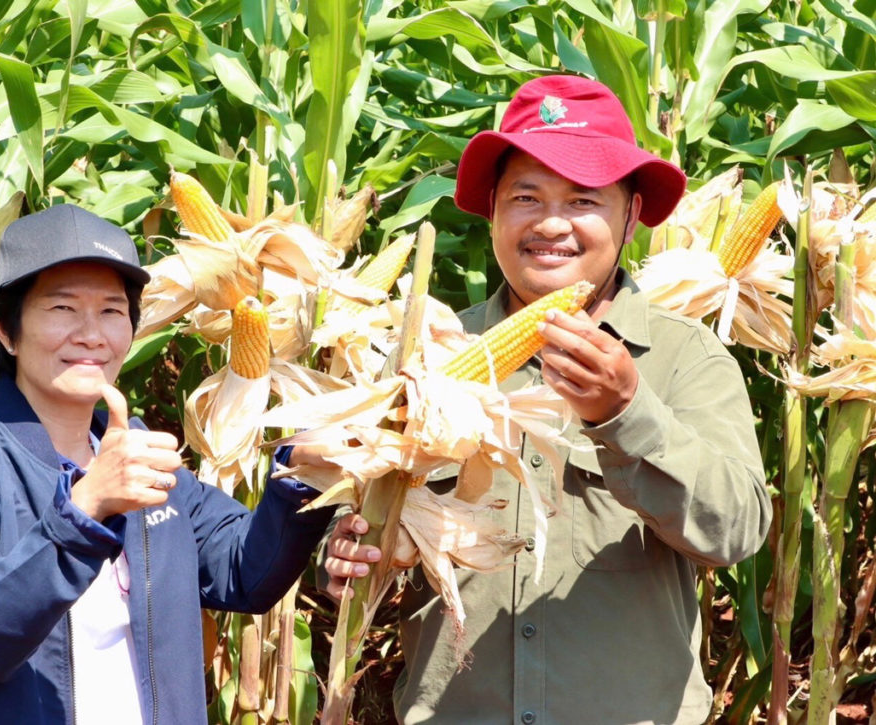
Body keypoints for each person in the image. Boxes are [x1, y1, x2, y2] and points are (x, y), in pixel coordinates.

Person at [320, 75, 773, 724]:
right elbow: (358, 519)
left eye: (583, 199)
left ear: (632, 213)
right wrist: (351, 555)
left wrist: (627, 410)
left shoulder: (685, 358)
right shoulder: (425, 351)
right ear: (496, 210)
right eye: (526, 196)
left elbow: (735, 530)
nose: (551, 223)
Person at [0, 204, 332, 724]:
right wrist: (83, 510)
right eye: (61, 309)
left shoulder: (140, 452)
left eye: (110, 310)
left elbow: (244, 572)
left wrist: (301, 477)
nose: (91, 334)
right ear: (6, 331)